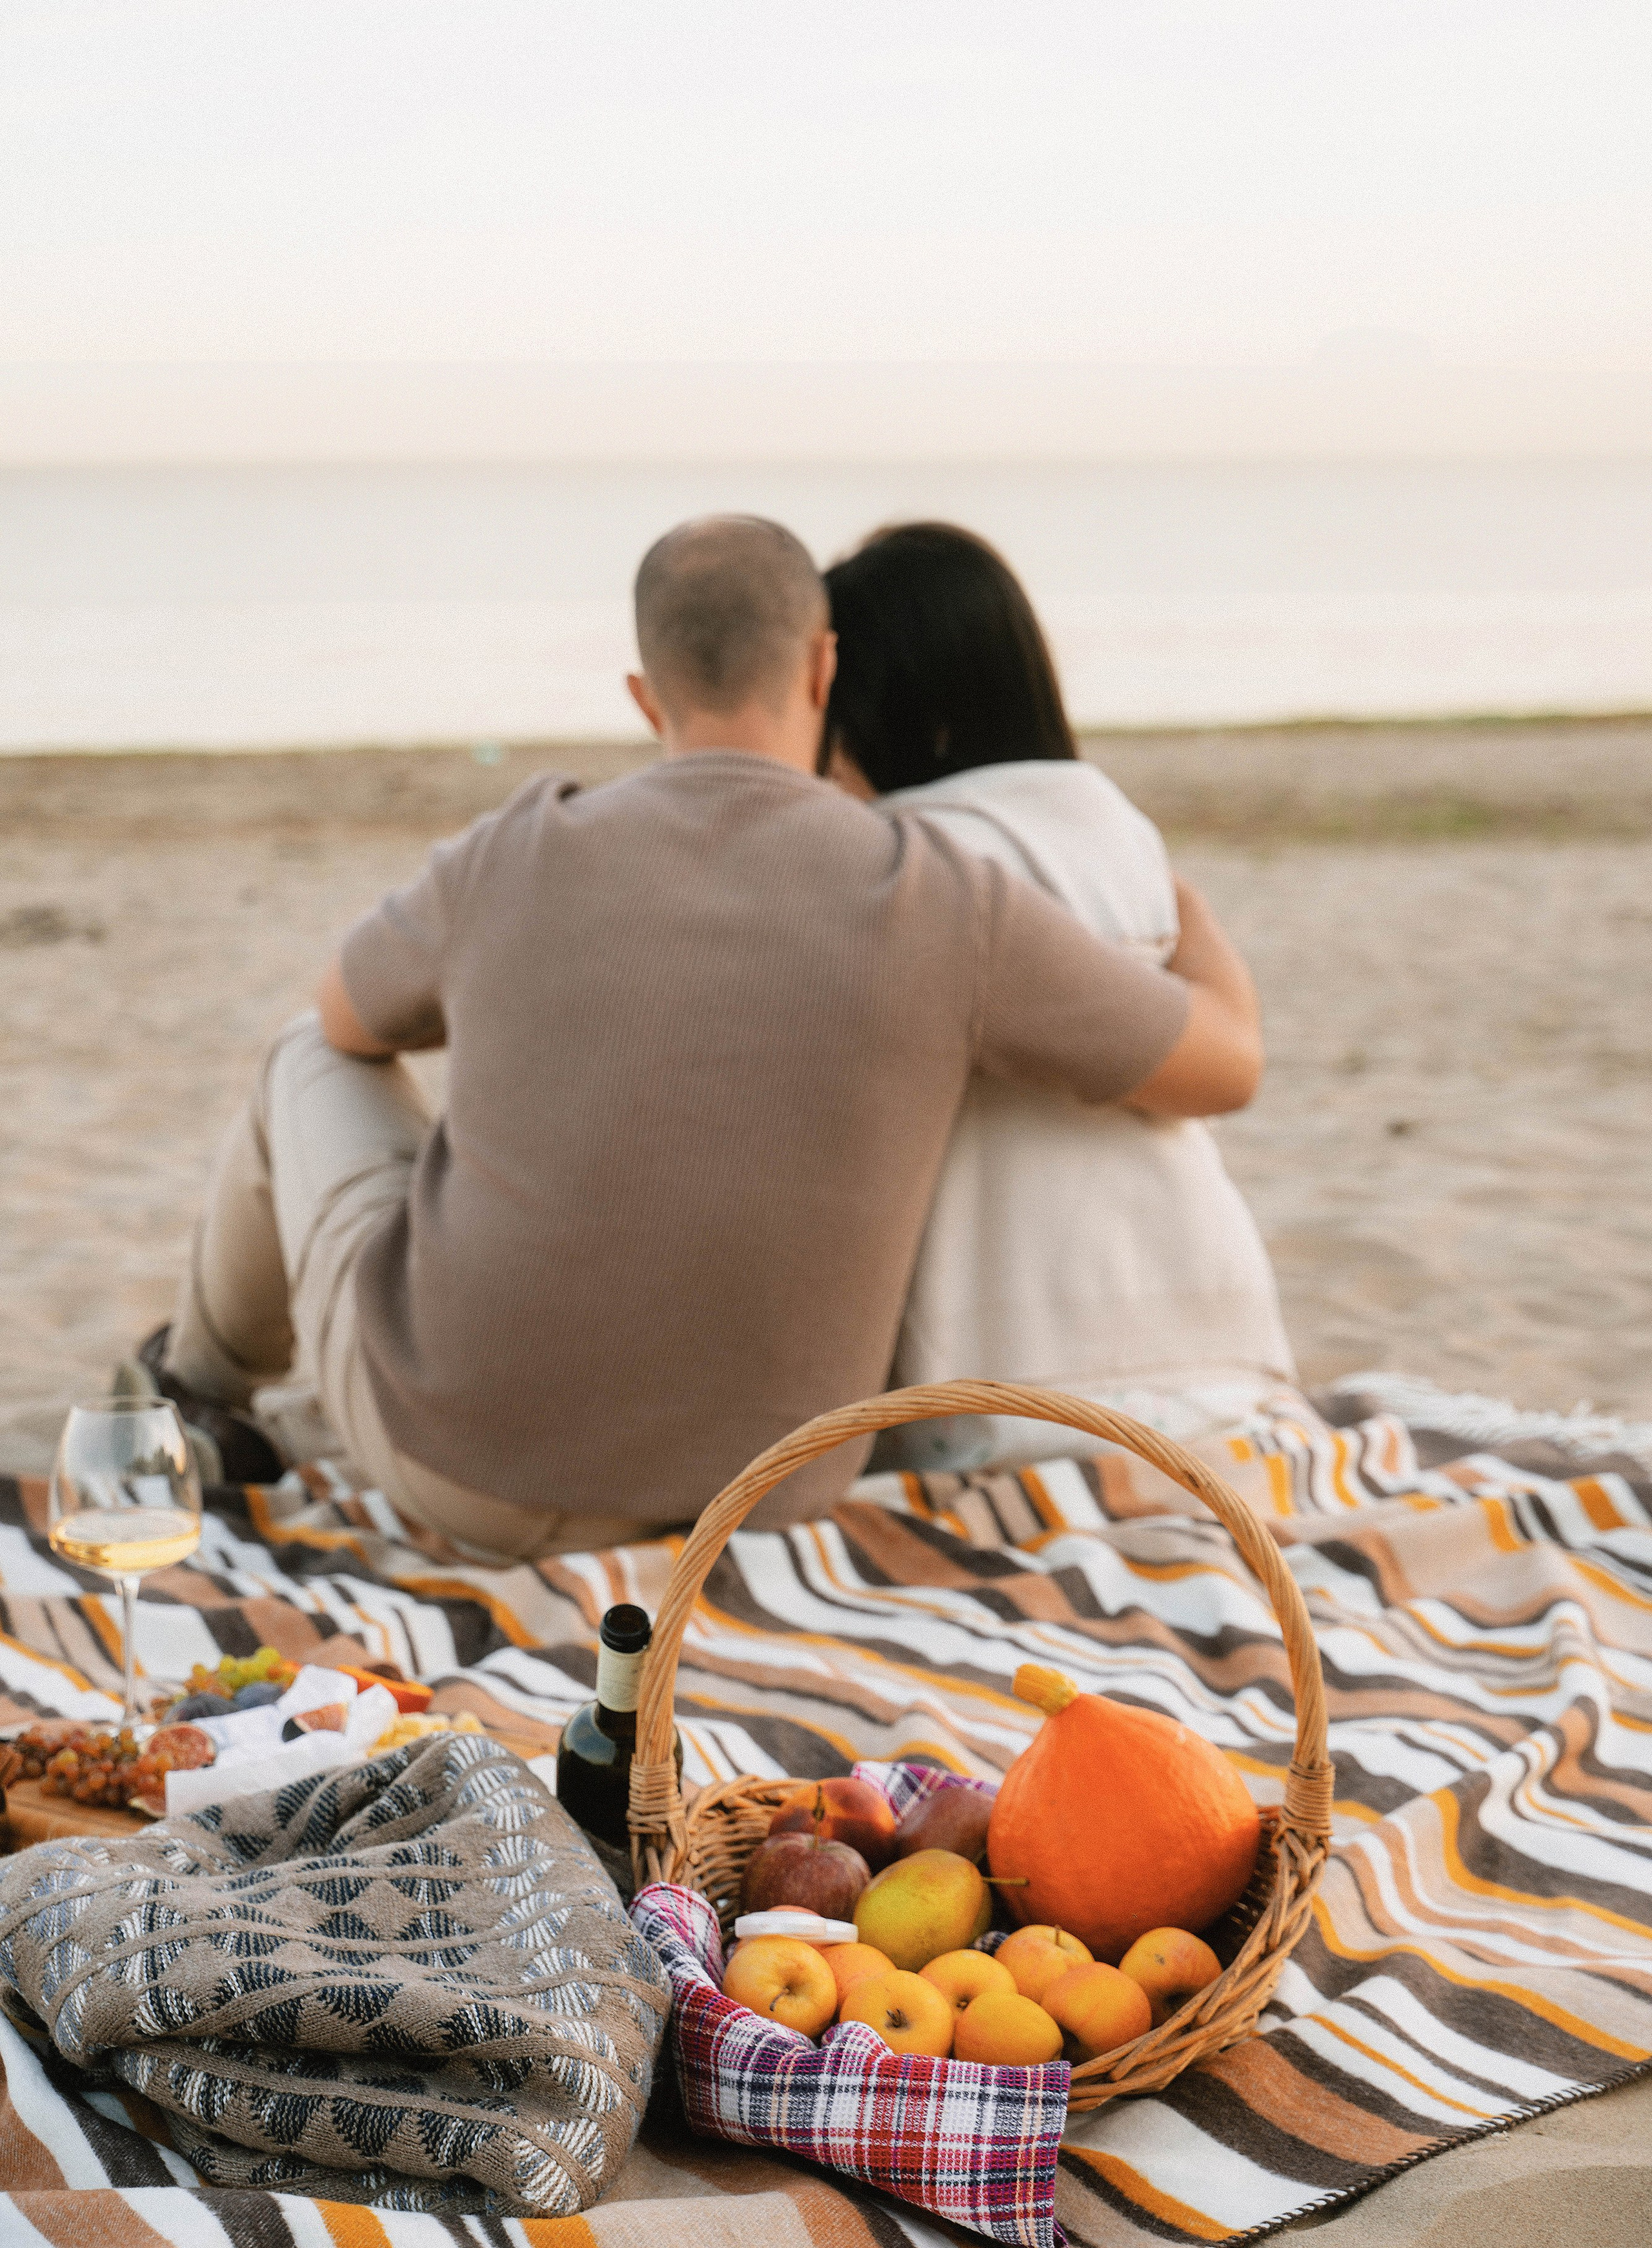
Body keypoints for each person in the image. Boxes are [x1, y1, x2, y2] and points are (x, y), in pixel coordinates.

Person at [148, 515, 1261, 1558]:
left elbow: (343, 1017)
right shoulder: (945, 902)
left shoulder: (518, 848)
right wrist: (1188, 912)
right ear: (822, 671)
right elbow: (1224, 1065)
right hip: (768, 1499)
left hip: (461, 1477)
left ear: (644, 697)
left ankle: (196, 1383)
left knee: (301, 1057)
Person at [822, 520, 1294, 1470]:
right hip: (1220, 1336)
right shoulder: (1111, 825)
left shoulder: (913, 867)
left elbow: (1225, 1069)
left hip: (1029, 1387)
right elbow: (1219, 1037)